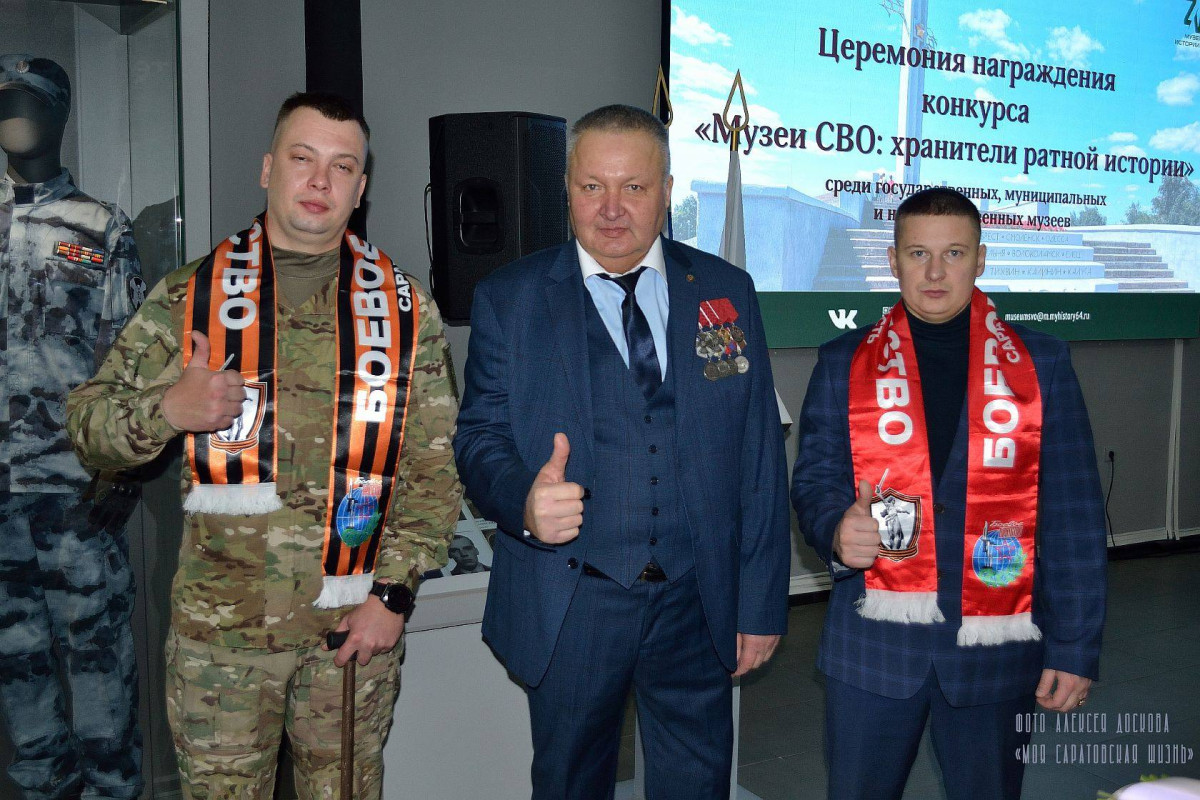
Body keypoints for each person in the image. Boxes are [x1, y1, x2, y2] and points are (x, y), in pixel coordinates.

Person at [66, 92, 462, 799]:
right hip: (222, 645)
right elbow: (88, 428)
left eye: (343, 167)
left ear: (361, 189)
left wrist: (393, 596)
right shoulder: (191, 297)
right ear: (268, 168)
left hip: (352, 637)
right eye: (303, 159)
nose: (320, 181)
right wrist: (168, 409)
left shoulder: (405, 310)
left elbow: (434, 471)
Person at [454, 104, 790, 799]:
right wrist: (522, 499)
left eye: (633, 187)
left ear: (666, 191)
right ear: (567, 188)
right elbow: (478, 437)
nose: (611, 209)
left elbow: (758, 456)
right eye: (592, 187)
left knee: (698, 783)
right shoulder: (511, 299)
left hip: (698, 598)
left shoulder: (725, 291)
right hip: (574, 599)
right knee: (571, 782)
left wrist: (760, 605)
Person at [791, 187, 1106, 800]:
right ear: (893, 260)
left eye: (954, 253)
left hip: (995, 649)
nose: (935, 272)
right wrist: (834, 529)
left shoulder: (1041, 364)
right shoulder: (842, 362)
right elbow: (814, 482)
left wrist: (1074, 647)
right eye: (918, 254)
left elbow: (1074, 516)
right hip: (873, 650)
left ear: (981, 259)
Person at [0, 53, 145, 799]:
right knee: (17, 674)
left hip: (76, 489)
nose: (14, 116)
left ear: (61, 114)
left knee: (98, 670)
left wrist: (124, 470)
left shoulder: (98, 227)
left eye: (30, 102)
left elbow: (134, 358)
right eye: (4, 102)